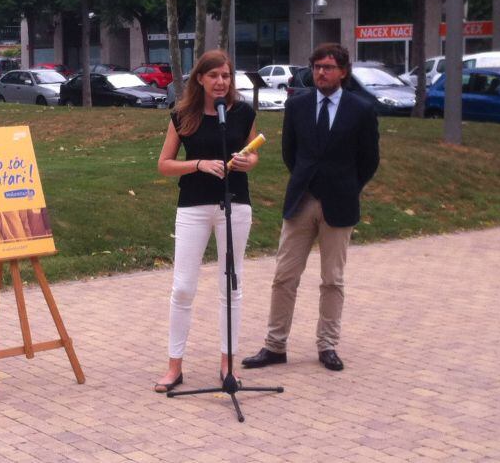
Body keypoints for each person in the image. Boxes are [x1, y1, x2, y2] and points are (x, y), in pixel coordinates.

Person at [242, 43, 379, 372]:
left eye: (328, 67)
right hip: (301, 201)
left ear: (342, 72)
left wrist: (347, 187)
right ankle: (275, 345)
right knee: (284, 276)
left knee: (332, 279)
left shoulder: (361, 109)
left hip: (340, 203)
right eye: (317, 67)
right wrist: (308, 180)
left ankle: (327, 345)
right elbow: (290, 153)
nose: (321, 73)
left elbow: (369, 160)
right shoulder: (297, 105)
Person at [154, 50, 259, 393]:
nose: (220, 82)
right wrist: (198, 164)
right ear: (200, 78)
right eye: (213, 75)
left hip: (235, 203)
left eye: (226, 76)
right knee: (183, 286)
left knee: (231, 284)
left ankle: (228, 364)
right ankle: (174, 366)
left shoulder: (242, 113)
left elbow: (253, 155)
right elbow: (164, 164)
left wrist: (247, 161)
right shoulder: (183, 115)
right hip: (193, 205)